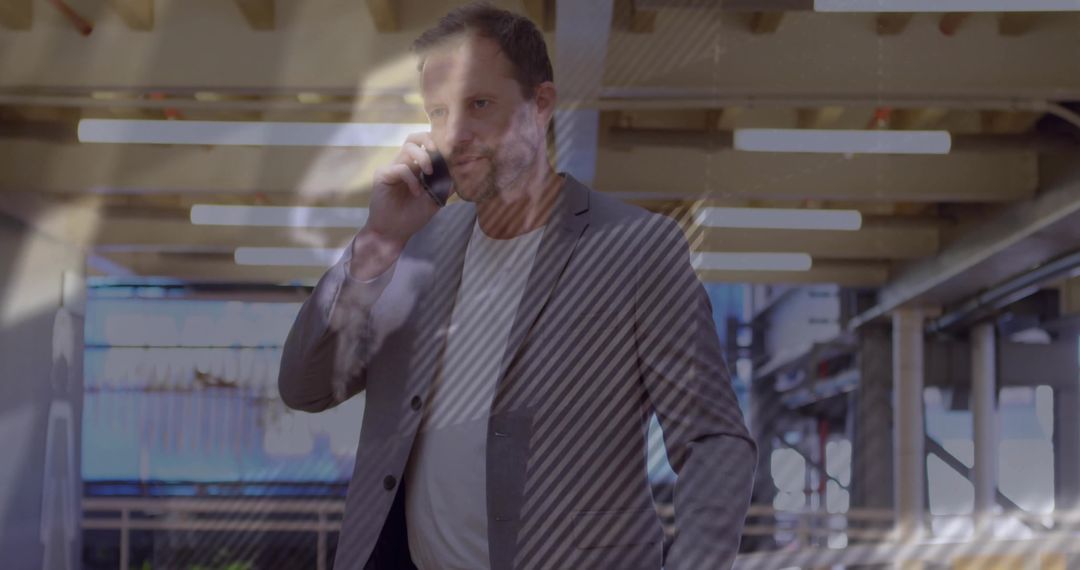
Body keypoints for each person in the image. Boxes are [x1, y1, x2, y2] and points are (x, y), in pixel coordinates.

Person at [278, 3, 756, 569]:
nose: (455, 134)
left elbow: (714, 442)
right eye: (439, 111)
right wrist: (375, 244)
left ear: (541, 105)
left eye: (479, 104)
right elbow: (306, 387)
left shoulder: (637, 249)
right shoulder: (415, 247)